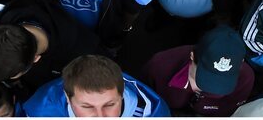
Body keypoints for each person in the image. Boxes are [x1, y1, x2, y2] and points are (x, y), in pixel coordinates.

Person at [142, 25, 255, 116]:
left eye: (222, 83)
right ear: (192, 56)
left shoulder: (245, 79)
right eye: (204, 77)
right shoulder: (159, 65)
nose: (209, 89)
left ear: (240, 65)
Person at [24, 54, 170, 117]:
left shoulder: (151, 113)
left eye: (110, 104)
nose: (100, 116)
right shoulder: (41, 110)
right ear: (68, 99)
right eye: (87, 107)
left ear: (121, 94)